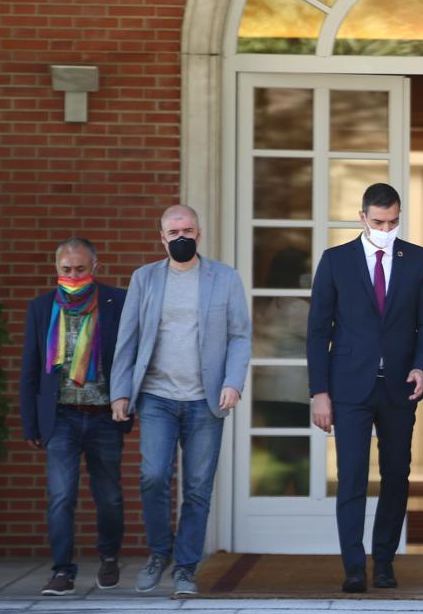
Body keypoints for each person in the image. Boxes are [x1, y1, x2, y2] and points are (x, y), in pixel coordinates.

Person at [110, 205, 251, 597]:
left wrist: (233, 381)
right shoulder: (145, 279)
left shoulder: (224, 278)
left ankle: (186, 568)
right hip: (156, 396)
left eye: (188, 230)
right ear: (162, 237)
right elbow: (128, 337)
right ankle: (159, 553)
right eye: (174, 232)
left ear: (199, 233)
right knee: (153, 476)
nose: (181, 237)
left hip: (205, 400)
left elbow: (240, 335)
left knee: (198, 487)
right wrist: (120, 392)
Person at [306, 183, 423, 593]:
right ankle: (352, 565)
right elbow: (317, 331)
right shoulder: (335, 260)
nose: (387, 228)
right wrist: (319, 392)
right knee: (351, 478)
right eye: (380, 221)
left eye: (394, 221)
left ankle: (383, 561)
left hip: (399, 387)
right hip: (349, 388)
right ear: (362, 217)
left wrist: (421, 367)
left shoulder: (416, 259)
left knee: (397, 475)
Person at [19, 237, 128, 596]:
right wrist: (31, 423)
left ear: (94, 268)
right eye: (66, 269)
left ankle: (109, 557)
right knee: (61, 496)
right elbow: (31, 369)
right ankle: (62, 571)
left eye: (80, 269)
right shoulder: (41, 307)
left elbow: (131, 357)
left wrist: (129, 406)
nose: (74, 274)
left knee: (109, 496)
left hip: (104, 416)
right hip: (61, 416)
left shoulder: (117, 302)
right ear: (57, 269)